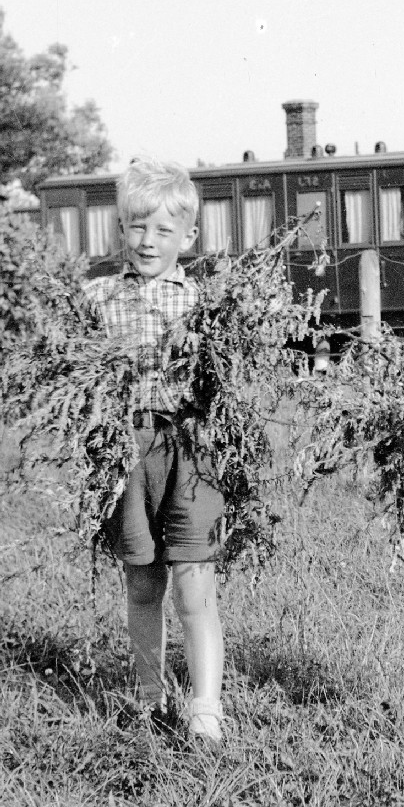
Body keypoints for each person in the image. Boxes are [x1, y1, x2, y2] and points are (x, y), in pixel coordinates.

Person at [80, 156, 228, 744]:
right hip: (123, 451)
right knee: (142, 581)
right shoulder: (95, 299)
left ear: (188, 237)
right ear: (120, 228)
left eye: (163, 230)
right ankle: (149, 695)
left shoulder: (204, 304)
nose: (147, 241)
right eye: (137, 227)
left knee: (194, 578)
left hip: (189, 452)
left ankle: (205, 705)